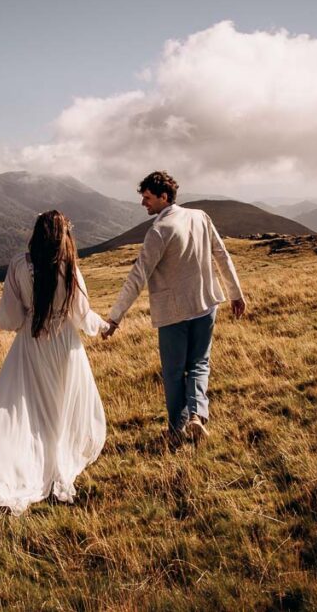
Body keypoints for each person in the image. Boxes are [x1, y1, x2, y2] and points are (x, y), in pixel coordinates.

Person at [0, 210, 109, 515]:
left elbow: (9, 318)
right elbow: (81, 313)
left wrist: (28, 316)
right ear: (64, 234)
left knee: (25, 409)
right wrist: (102, 326)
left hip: (32, 343)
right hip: (65, 344)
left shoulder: (18, 265)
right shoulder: (70, 266)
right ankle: (56, 462)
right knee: (61, 407)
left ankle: (24, 466)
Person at [104, 171, 245, 445]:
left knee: (173, 372)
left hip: (173, 313)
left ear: (163, 197)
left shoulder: (159, 230)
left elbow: (138, 276)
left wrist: (115, 318)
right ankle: (196, 415)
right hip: (206, 305)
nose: (144, 204)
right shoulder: (200, 216)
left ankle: (176, 430)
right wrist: (235, 293)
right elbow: (221, 254)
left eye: (147, 198)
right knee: (199, 364)